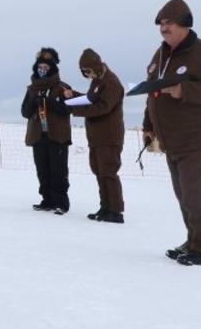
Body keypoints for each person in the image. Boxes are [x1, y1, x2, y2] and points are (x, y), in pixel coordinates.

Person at [141, 0, 201, 266]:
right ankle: (193, 241)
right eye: (161, 23)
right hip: (173, 138)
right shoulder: (159, 56)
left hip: (200, 138)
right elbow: (152, 94)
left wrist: (184, 91)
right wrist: (149, 127)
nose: (164, 28)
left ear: (185, 24)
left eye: (169, 23)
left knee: (195, 195)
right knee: (184, 195)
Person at [64, 48, 125, 223]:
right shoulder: (98, 82)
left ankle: (115, 211)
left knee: (108, 171)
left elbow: (103, 107)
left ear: (96, 67)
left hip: (109, 136)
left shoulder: (111, 83)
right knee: (99, 171)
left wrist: (74, 110)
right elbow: (91, 99)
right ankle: (105, 207)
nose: (87, 75)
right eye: (84, 72)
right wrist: (73, 96)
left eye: (88, 71)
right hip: (96, 136)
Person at [21, 47, 72, 214]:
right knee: (42, 170)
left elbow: (67, 109)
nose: (42, 70)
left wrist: (50, 103)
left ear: (53, 67)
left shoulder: (63, 88)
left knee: (58, 171)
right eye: (40, 67)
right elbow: (24, 112)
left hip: (57, 136)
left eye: (46, 67)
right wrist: (33, 102)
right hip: (38, 135)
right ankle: (47, 200)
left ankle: (61, 203)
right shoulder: (31, 89)